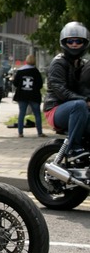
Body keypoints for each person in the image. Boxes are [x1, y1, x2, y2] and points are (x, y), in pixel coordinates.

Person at [43, 22, 90, 158]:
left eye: (78, 41)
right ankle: (73, 148)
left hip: (75, 108)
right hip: (55, 109)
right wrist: (85, 101)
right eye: (70, 41)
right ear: (64, 42)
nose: (74, 44)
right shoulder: (58, 62)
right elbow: (60, 90)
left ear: (84, 43)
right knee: (79, 105)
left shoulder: (82, 64)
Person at [13, 54, 45, 138]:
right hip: (34, 95)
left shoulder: (20, 71)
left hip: (22, 95)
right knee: (37, 114)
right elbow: (40, 84)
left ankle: (20, 133)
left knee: (21, 114)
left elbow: (15, 83)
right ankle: (40, 132)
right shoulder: (36, 72)